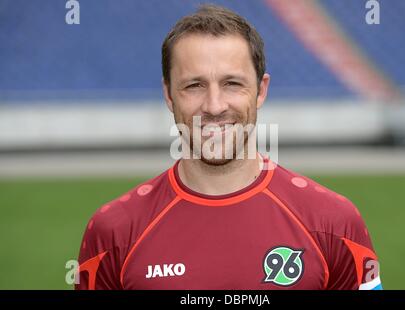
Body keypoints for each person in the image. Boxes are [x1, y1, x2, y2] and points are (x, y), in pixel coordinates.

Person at [75, 4, 382, 290]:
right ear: (169, 95)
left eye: (232, 84)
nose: (214, 105)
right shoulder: (113, 233)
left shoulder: (334, 224)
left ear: (260, 91)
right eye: (194, 85)